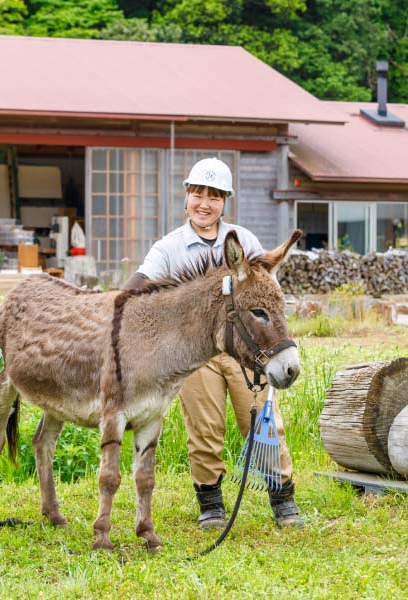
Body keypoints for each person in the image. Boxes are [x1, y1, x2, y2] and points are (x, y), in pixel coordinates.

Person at [123, 157, 303, 530]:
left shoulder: (243, 241)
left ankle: (282, 497)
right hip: (197, 356)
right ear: (187, 196)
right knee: (204, 429)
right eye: (198, 194)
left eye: (215, 196)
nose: (204, 203)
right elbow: (137, 286)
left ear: (225, 201)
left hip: (246, 353)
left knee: (263, 424)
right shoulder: (170, 248)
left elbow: (266, 294)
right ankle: (211, 503)